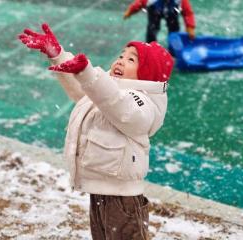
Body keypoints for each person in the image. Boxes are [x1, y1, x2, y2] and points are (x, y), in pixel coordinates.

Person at [18, 23, 174, 240]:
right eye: (121, 55)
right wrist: (58, 55)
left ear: (147, 74)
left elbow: (117, 104)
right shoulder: (109, 90)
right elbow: (86, 92)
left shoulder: (142, 102)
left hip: (122, 197)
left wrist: (87, 73)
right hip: (100, 189)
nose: (121, 60)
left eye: (131, 59)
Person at [124, 0, 196, 43]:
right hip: (154, 11)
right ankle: (150, 48)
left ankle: (173, 49)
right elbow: (139, 3)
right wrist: (130, 11)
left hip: (172, 12)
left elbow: (188, 12)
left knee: (174, 31)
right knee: (152, 30)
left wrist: (190, 27)